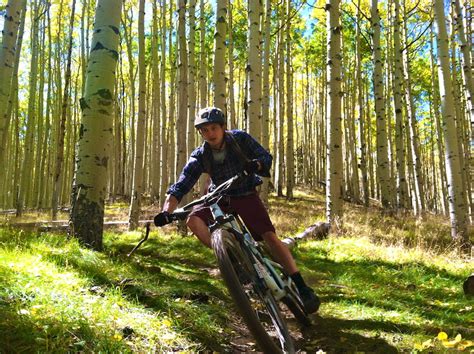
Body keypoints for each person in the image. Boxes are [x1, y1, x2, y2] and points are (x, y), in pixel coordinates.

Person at [155, 106, 320, 313]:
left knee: (269, 237)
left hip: (245, 193)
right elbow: (181, 185)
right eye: (204, 131)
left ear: (223, 127)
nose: (210, 134)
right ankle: (232, 261)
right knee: (193, 220)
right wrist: (166, 211)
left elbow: (265, 157)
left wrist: (256, 165)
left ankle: (302, 286)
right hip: (219, 197)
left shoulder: (240, 139)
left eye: (213, 128)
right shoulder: (200, 155)